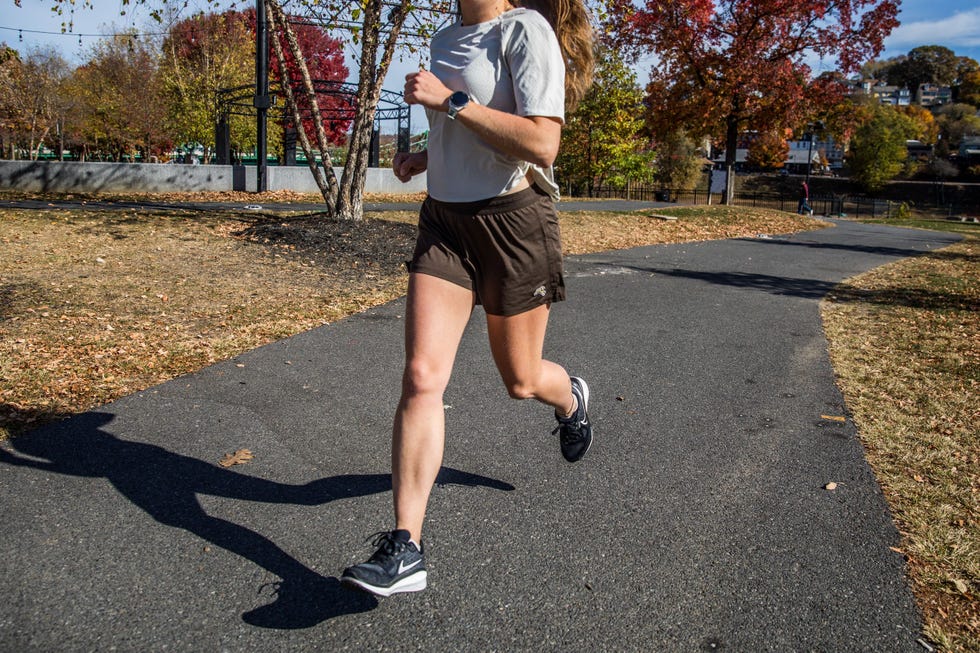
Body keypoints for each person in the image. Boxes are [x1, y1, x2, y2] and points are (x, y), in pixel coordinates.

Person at [339, 0, 595, 597]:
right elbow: (468, 134)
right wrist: (428, 156)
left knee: (521, 380)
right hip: (444, 225)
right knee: (422, 376)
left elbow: (541, 142)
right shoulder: (445, 36)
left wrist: (450, 101)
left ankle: (571, 398)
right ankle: (406, 547)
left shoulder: (526, 31)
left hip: (513, 223)